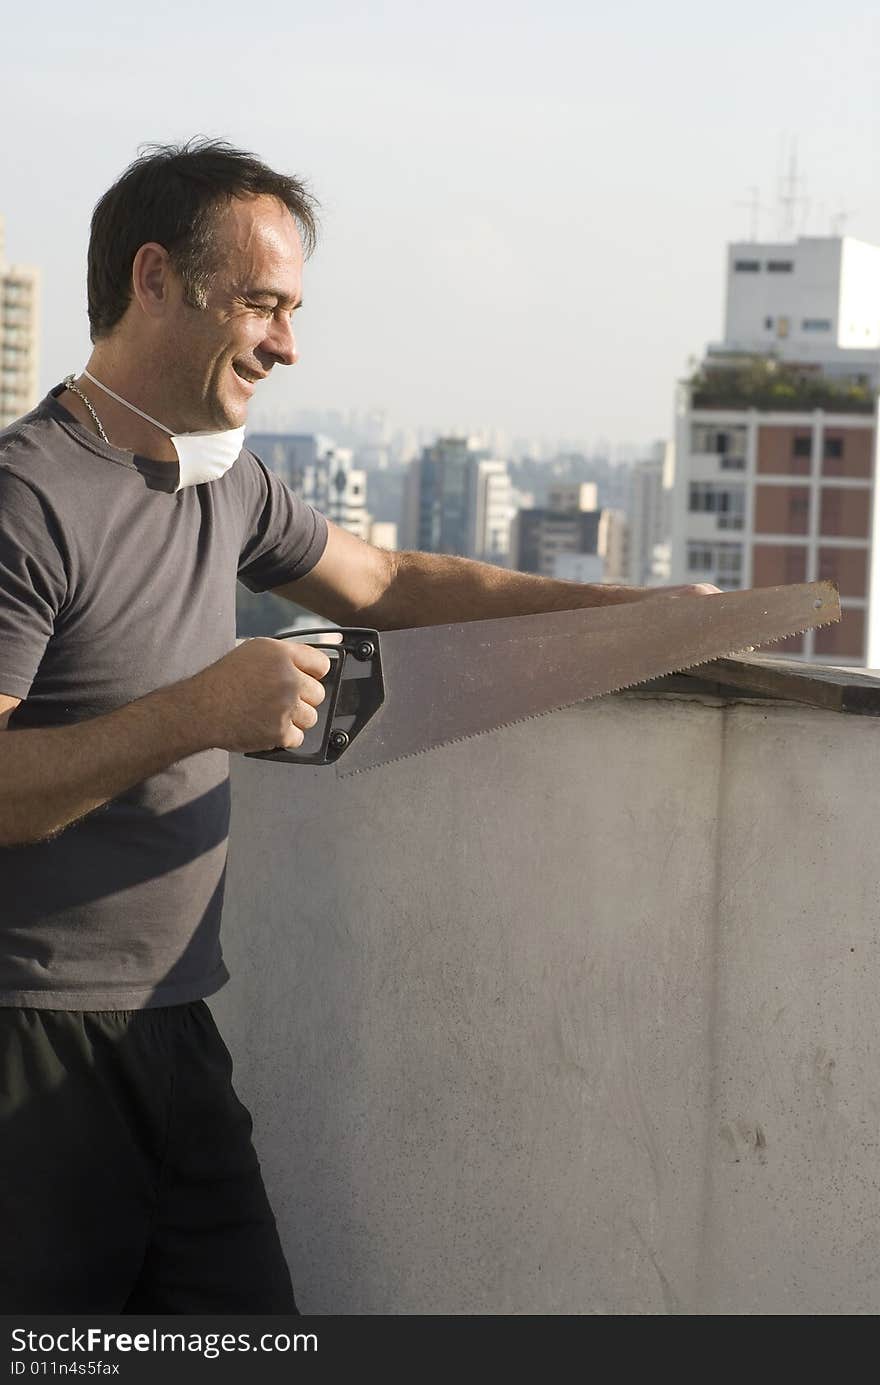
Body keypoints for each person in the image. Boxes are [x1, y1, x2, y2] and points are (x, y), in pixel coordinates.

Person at [0, 139, 716, 1314]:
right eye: (263, 305)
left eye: (292, 311)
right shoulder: (26, 496)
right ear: (154, 279)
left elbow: (383, 582)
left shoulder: (222, 480)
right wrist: (197, 711)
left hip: (177, 1023)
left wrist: (640, 611)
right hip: (29, 1039)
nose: (286, 343)